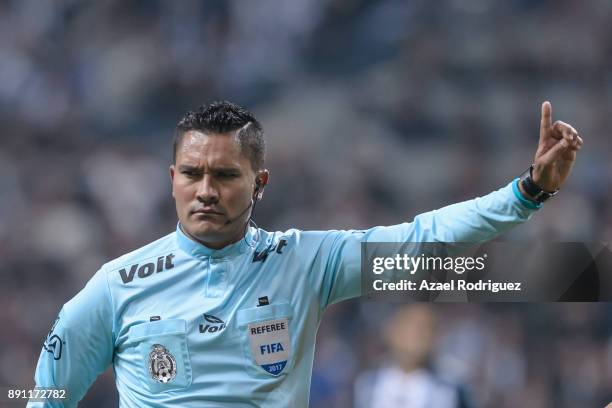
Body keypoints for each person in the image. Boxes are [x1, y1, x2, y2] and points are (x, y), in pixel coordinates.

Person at [29, 100, 582, 407]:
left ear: (260, 181)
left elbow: (423, 239)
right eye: (192, 174)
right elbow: (46, 397)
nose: (206, 190)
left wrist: (528, 192)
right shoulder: (116, 284)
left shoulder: (305, 263)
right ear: (171, 179)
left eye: (225, 175)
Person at [354, 305, 472, 408]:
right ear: (391, 330)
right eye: (409, 327)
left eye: (425, 329)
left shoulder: (451, 390)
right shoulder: (364, 383)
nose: (416, 336)